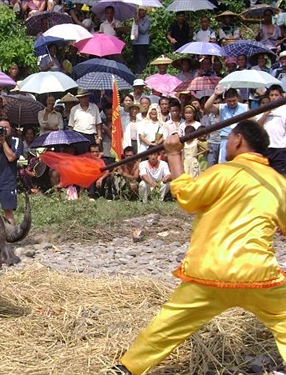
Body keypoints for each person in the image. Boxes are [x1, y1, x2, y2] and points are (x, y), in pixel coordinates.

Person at [111, 120, 286, 375]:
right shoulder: (278, 183)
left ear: (238, 140)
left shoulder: (224, 171)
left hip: (209, 271)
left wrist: (173, 154)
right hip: (257, 273)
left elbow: (188, 199)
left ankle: (127, 369)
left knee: (169, 324)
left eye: (229, 139)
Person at [205, 86, 247, 163]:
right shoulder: (222, 107)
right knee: (225, 165)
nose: (232, 103)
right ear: (225, 100)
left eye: (234, 100)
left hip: (240, 140)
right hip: (226, 140)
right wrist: (215, 94)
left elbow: (252, 121)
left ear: (237, 98)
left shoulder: (245, 107)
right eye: (229, 101)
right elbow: (207, 107)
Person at [256, 84, 286, 175]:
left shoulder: (284, 109)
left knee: (279, 176)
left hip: (280, 148)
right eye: (271, 95)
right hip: (266, 147)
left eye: (276, 95)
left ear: (281, 95)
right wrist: (265, 114)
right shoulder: (264, 108)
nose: (274, 97)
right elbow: (257, 126)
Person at [68, 88, 103, 154]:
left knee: (92, 157)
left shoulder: (94, 107)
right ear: (79, 98)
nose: (84, 99)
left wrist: (99, 137)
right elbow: (71, 126)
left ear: (88, 97)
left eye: (85, 97)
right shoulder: (74, 109)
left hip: (91, 136)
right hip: (78, 136)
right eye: (82, 97)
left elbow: (98, 123)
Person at [131, 6, 150, 74]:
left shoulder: (147, 20)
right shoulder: (135, 18)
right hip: (135, 42)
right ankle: (137, 74)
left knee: (142, 61)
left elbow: (144, 30)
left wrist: (138, 23)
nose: (141, 12)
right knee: (136, 61)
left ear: (145, 11)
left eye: (143, 10)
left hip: (143, 43)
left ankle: (142, 74)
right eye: (140, 10)